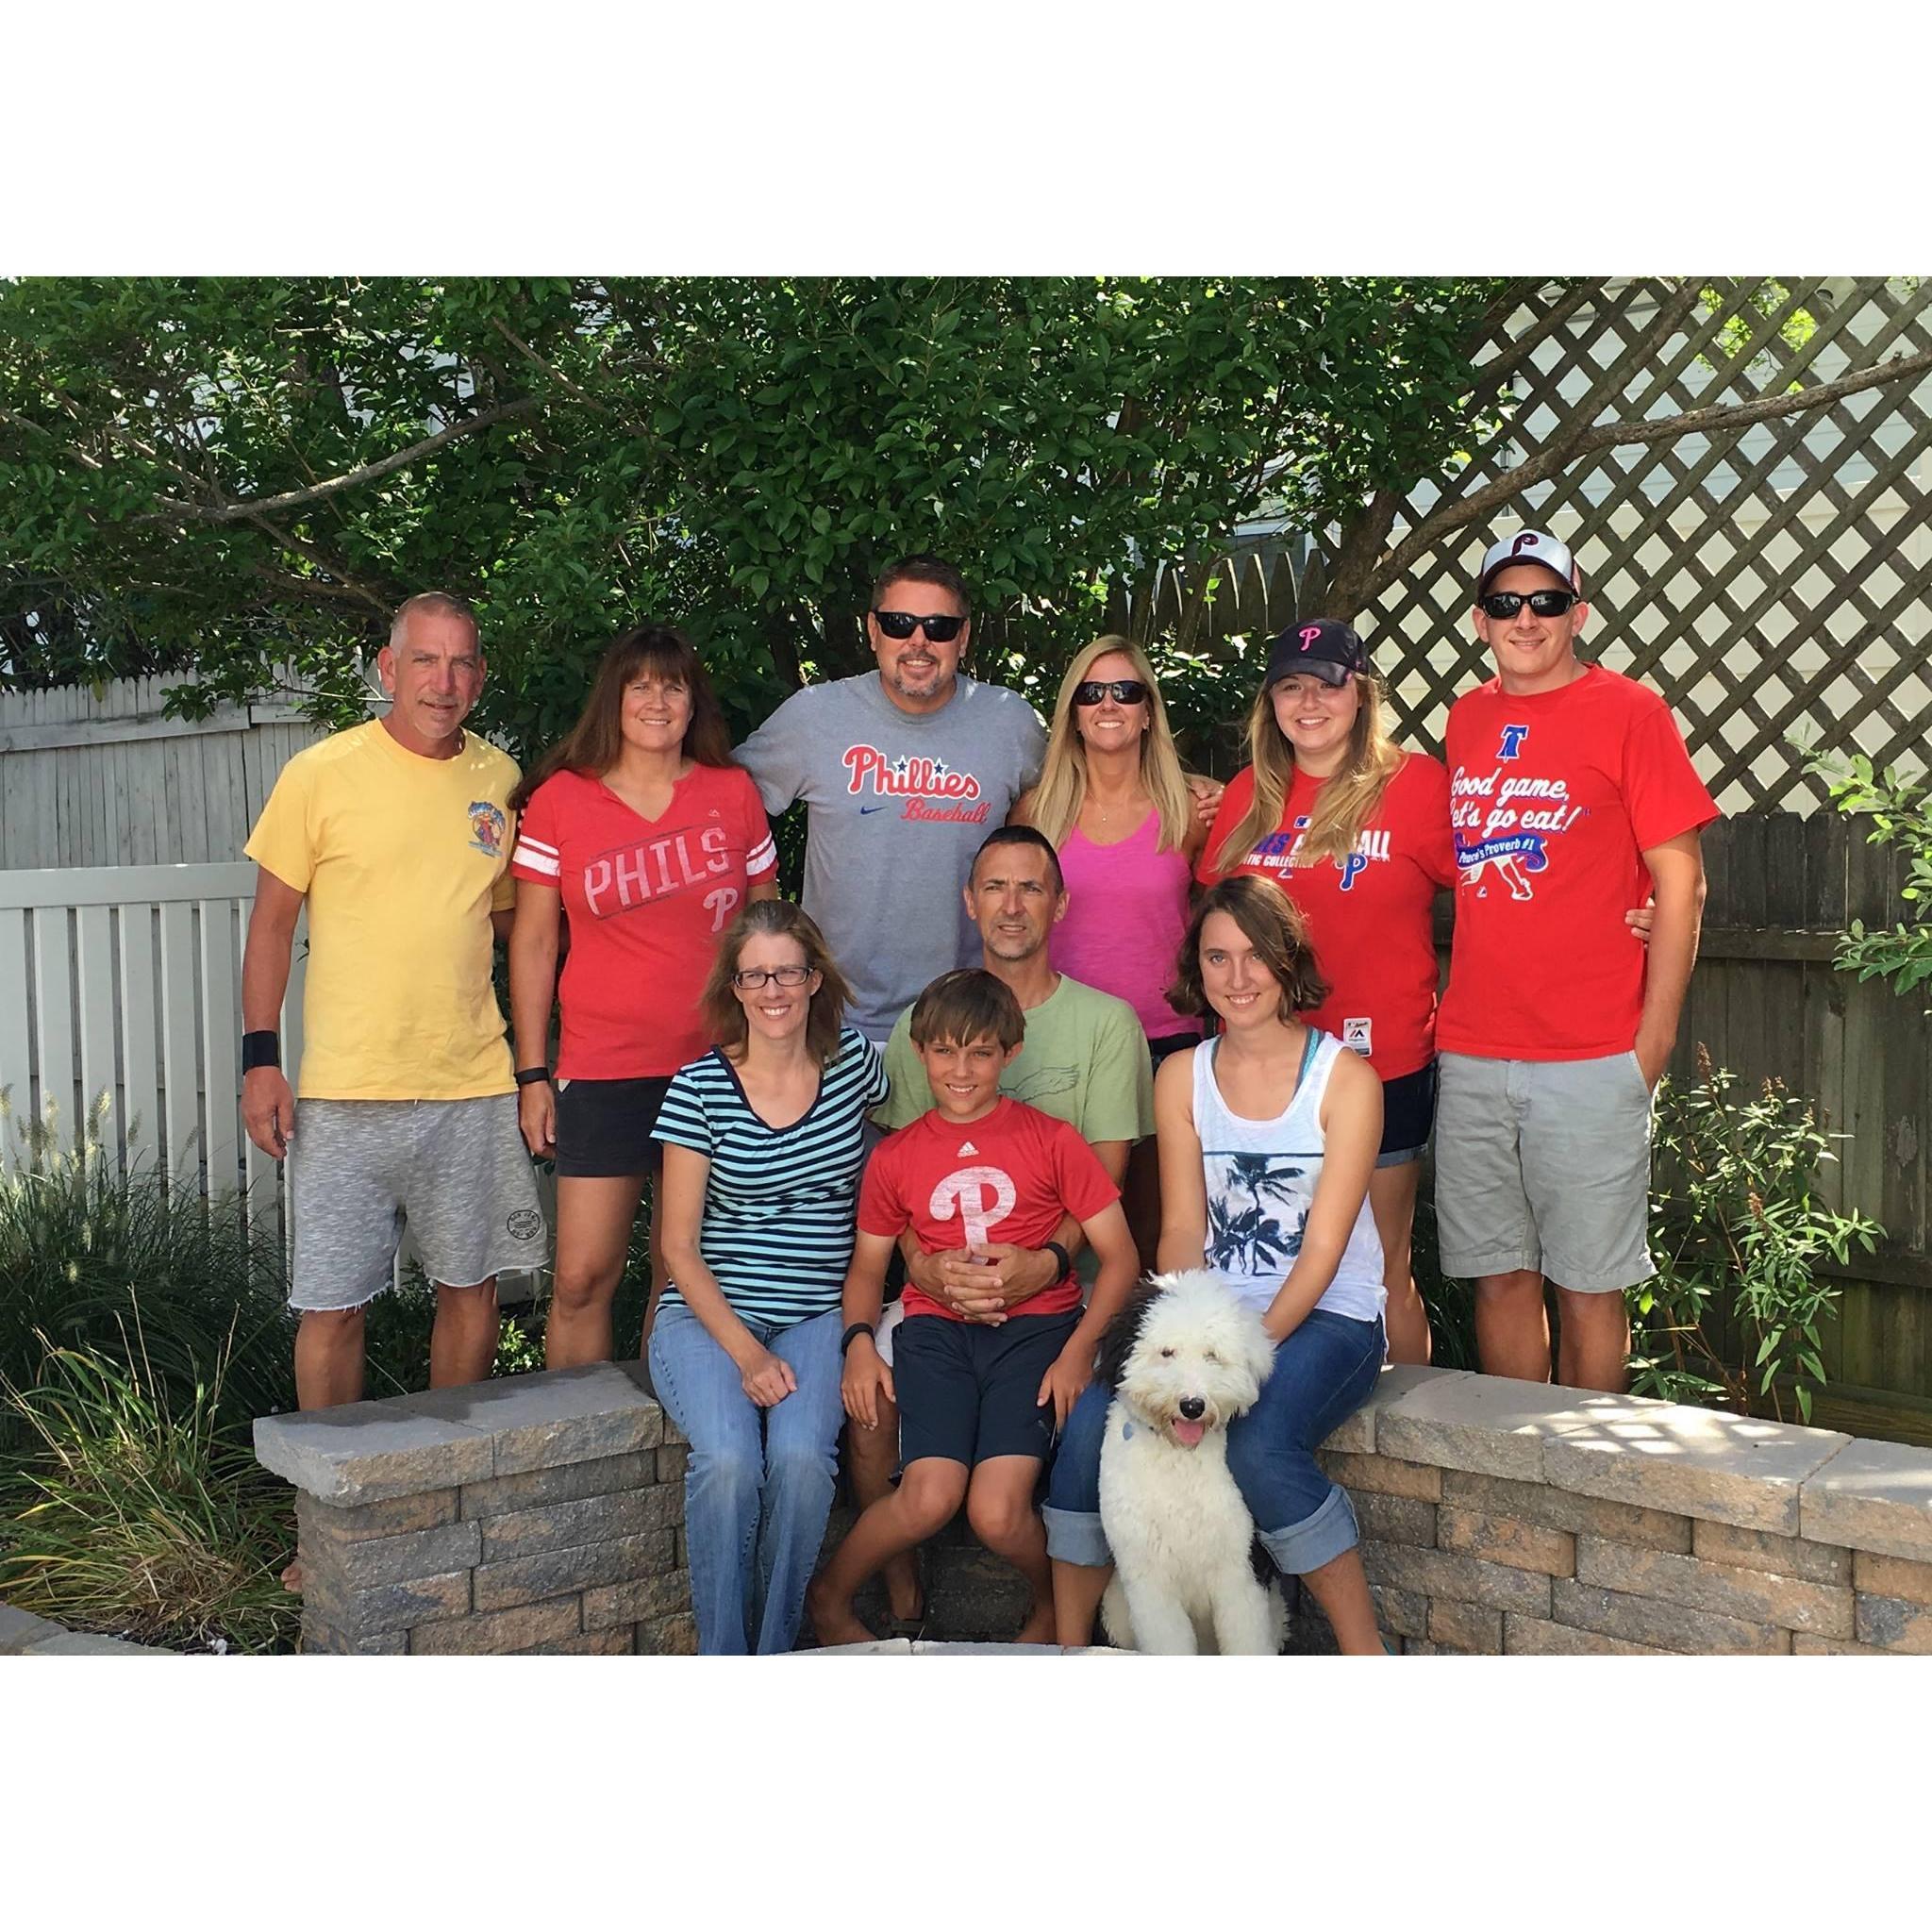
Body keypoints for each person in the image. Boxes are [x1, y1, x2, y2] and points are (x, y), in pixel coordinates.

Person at [1044, 875, 1391, 1654]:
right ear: (1195, 973)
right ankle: (1068, 1652)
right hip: (1204, 1315)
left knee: (1262, 1444)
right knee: (1094, 1427)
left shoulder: (1347, 1082)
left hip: (1329, 1316)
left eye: (1256, 956)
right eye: (1217, 959)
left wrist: (1243, 1354)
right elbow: (1180, 1230)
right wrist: (1173, 1346)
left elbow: (1326, 1248)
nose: (1238, 978)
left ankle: (1367, 1655)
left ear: (1288, 961)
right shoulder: (1182, 1076)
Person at [240, 590, 545, 1422]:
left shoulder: (501, 781)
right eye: (424, 660)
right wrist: (260, 1063)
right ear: (388, 669)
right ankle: (330, 1521)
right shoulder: (320, 774)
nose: (442, 681)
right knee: (333, 1309)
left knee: (473, 1294)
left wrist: (535, 1069)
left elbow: (522, 932)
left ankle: (444, 1494)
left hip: (472, 1085)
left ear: (479, 678)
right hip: (346, 1091)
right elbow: (270, 926)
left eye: (460, 663)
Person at [1436, 528, 1717, 1393]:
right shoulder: (1467, 718)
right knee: (1501, 1277)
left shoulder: (1631, 711)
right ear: (1481, 620)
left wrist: (1654, 1039)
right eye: (1506, 603)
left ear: (1578, 614)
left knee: (1590, 1287)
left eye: (1547, 602)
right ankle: (1522, 1468)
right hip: (1476, 1048)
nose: (1527, 618)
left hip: (1594, 1053)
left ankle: (1590, 1483)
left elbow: (1684, 880)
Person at [807, 969, 1139, 1647]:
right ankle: (828, 1596)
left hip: (1036, 1334)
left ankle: (1053, 1606)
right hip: (938, 1335)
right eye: (945, 1052)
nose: (961, 1070)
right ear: (919, 1051)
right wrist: (861, 1344)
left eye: (980, 1052)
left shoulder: (1051, 1140)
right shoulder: (896, 1156)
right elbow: (868, 1268)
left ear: (1010, 1053)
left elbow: (1122, 1258)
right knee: (929, 1495)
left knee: (996, 1511)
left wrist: (1078, 1354)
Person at [508, 625, 778, 1366]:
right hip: (602, 1068)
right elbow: (534, 942)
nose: (657, 699)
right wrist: (533, 1073)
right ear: (614, 699)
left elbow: (769, 936)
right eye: (641, 685)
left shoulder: (733, 793)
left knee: (682, 1274)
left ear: (695, 704)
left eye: (674, 684)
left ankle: (664, 1450)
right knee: (581, 1278)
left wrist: (776, 1063)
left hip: (717, 1069)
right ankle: (575, 1451)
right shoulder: (563, 799)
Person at [1199, 619, 1452, 1365]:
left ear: (1361, 694)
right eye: (1289, 685)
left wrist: (1629, 911)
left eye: (1327, 683)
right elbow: (1209, 914)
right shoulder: (1250, 794)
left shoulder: (1416, 784)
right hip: (1262, 1064)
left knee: (1382, 1265)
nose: (1308, 701)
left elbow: (1504, 890)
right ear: (1269, 702)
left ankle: (1413, 1438)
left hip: (1380, 1060)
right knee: (1271, 1251)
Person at [646, 901, 887, 1655]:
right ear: (735, 988)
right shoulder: (700, 1088)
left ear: (815, 979)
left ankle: (775, 1646)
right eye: (756, 975)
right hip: (709, 1321)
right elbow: (679, 1247)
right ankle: (725, 1657)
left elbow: (924, 1136)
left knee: (802, 1463)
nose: (773, 989)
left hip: (818, 1315)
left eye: (787, 971)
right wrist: (748, 1356)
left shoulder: (856, 1065)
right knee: (727, 1463)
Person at [732, 555, 1049, 1041]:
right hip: (835, 1020)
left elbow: (1082, 805)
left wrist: (1186, 790)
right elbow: (716, 804)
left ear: (963, 638)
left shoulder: (1009, 723)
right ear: (873, 630)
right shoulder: (817, 717)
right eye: (899, 623)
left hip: (967, 1021)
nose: (918, 641)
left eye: (939, 627)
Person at [1009, 634, 1207, 1265]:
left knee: (1156, 1237)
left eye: (1127, 690)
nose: (1109, 704)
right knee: (1051, 1224)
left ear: (1149, 709)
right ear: (1072, 711)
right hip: (1060, 1043)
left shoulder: (1192, 808)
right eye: (1092, 693)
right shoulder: (1038, 810)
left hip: (1166, 1043)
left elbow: (1225, 919)